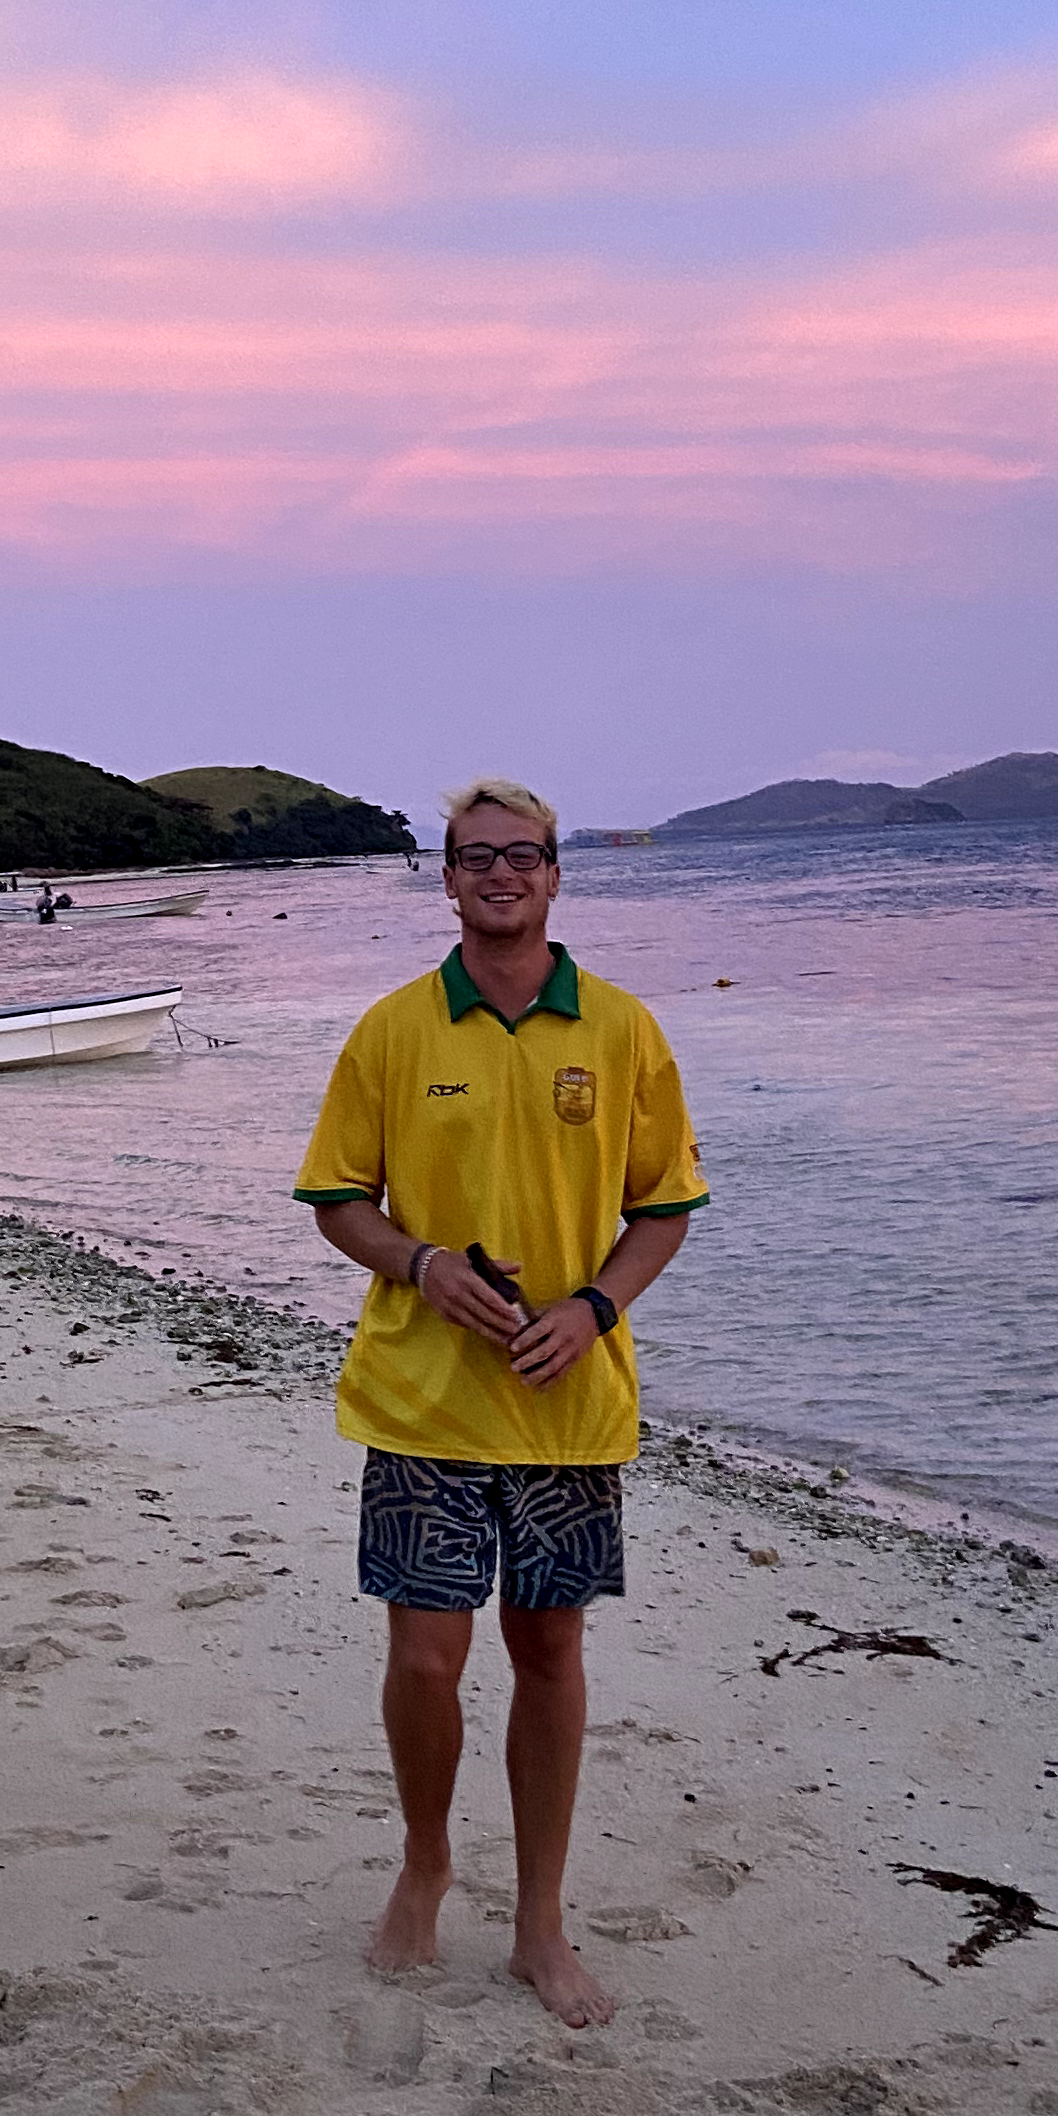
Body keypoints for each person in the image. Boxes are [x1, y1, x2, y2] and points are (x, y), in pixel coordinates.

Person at [293, 776, 707, 2025]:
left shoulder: (623, 1032)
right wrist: (421, 1264)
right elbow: (338, 1198)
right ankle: (425, 1863)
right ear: (448, 877)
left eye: (523, 856)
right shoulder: (394, 1031)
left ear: (556, 874)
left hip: (568, 1407)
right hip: (423, 1400)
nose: (501, 874)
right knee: (425, 1660)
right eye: (477, 857)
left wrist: (595, 1308)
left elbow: (665, 1207)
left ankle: (540, 1923)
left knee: (550, 1651)